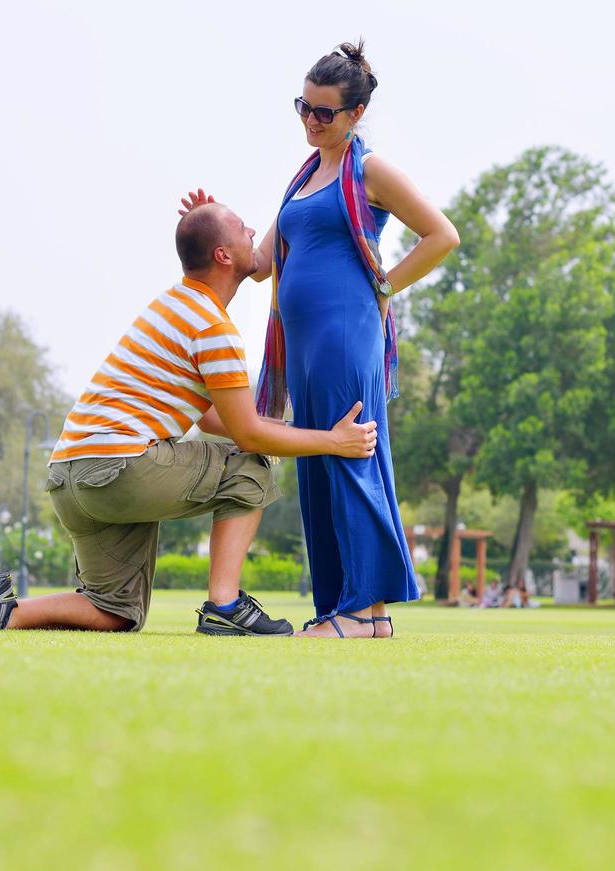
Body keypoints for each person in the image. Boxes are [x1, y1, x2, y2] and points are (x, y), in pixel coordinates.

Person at [0, 202, 379, 635]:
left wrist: (302, 431)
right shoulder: (212, 327)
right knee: (253, 463)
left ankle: (1, 613)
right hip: (119, 469)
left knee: (115, 611)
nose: (252, 232)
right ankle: (225, 607)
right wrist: (332, 441)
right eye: (243, 228)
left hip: (70, 477)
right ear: (223, 256)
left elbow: (212, 420)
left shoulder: (174, 306)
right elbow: (248, 435)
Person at [181, 39, 458, 639]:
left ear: (355, 115)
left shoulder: (369, 168)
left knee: (349, 456)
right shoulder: (304, 177)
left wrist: (385, 287)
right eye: (303, 108)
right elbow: (257, 262)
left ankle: (362, 611)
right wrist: (207, 220)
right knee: (318, 465)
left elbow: (442, 235)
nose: (310, 121)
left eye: (324, 113)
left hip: (343, 335)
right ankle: (353, 609)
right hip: (299, 346)